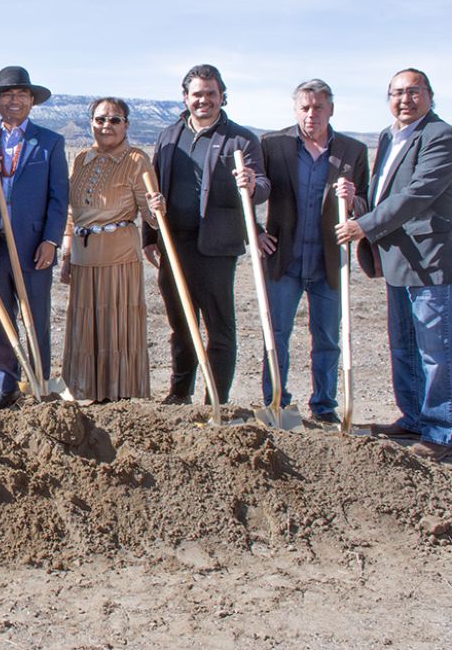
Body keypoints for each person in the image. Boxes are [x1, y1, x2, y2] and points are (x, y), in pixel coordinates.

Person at [337, 68, 452, 462]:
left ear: (430, 96)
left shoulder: (440, 136)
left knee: (436, 349)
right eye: (397, 93)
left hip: (430, 260)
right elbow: (383, 191)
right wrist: (357, 200)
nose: (405, 99)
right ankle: (414, 417)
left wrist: (363, 225)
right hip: (397, 260)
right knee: (404, 344)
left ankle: (442, 432)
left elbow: (420, 193)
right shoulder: (387, 137)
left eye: (413, 92)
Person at [142, 64, 269, 405]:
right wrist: (149, 237)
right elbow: (152, 186)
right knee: (181, 325)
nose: (204, 100)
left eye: (211, 94)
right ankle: (180, 392)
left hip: (216, 247)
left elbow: (263, 186)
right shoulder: (169, 134)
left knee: (219, 328)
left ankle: (216, 398)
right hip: (173, 244)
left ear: (222, 96)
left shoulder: (241, 139)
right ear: (186, 98)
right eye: (197, 94)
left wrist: (254, 185)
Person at [257, 79, 368, 424]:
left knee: (328, 339)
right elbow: (249, 193)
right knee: (276, 336)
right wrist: (257, 233)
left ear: (331, 110)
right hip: (284, 260)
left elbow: (366, 205)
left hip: (330, 262)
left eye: (318, 107)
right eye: (305, 108)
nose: (311, 114)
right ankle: (276, 402)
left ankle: (324, 406)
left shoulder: (353, 150)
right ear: (295, 111)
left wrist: (353, 201)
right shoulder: (273, 145)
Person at [0, 66, 70, 409]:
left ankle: (40, 382)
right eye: (8, 95)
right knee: (1, 316)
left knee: (36, 317)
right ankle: (7, 385)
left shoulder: (50, 142)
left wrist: (52, 241)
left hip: (33, 246)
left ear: (31, 101)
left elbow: (59, 197)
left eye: (22, 95)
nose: (15, 101)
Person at [57, 98, 162, 402]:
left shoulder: (136, 160)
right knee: (84, 325)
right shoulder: (82, 158)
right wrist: (67, 256)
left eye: (115, 120)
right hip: (83, 258)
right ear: (91, 123)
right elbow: (72, 213)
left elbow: (152, 216)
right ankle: (84, 389)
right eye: (100, 119)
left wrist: (158, 208)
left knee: (117, 325)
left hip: (119, 258)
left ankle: (120, 394)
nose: (107, 126)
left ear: (126, 125)